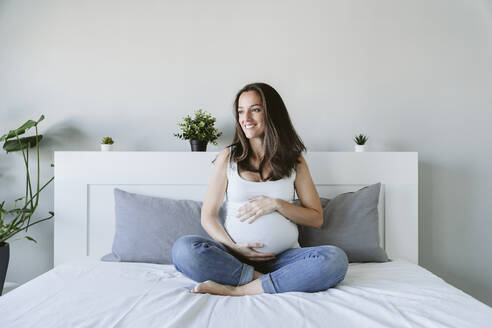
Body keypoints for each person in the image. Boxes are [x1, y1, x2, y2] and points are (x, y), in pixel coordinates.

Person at [172, 82, 348, 296]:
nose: (246, 119)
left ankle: (238, 290)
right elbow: (208, 217)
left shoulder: (295, 161)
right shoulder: (227, 158)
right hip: (234, 258)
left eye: (255, 110)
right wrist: (233, 247)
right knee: (184, 249)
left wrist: (276, 204)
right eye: (241, 111)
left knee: (334, 259)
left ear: (272, 114)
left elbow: (316, 218)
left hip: (284, 259)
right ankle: (268, 283)